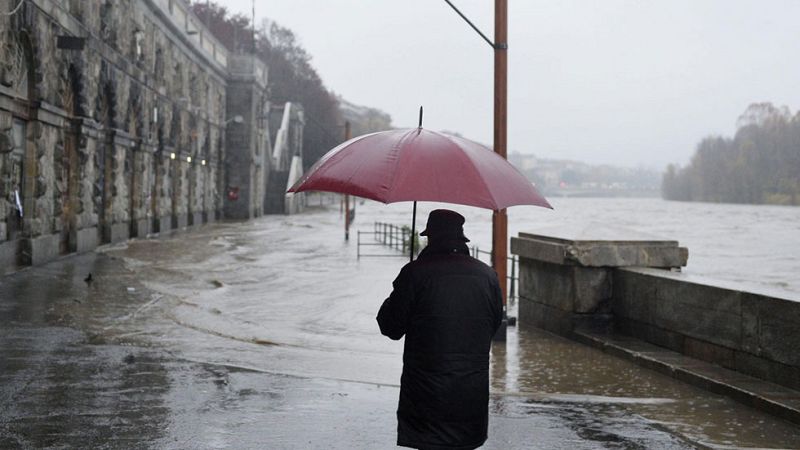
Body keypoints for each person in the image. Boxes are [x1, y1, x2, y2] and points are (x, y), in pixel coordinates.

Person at [377, 209, 504, 450]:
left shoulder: (415, 273)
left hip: (426, 393)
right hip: (470, 392)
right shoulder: (488, 275)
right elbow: (494, 324)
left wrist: (400, 286)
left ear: (431, 237)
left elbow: (390, 326)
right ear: (462, 238)